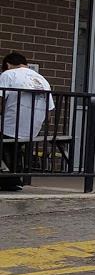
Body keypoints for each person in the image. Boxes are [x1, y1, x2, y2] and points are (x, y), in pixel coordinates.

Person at [0, 52, 54, 192]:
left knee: (7, 147)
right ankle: (14, 179)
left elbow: (0, 102)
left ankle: (12, 179)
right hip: (32, 127)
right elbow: (49, 113)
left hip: (11, 123)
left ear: (8, 65)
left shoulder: (8, 74)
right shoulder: (42, 79)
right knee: (13, 149)